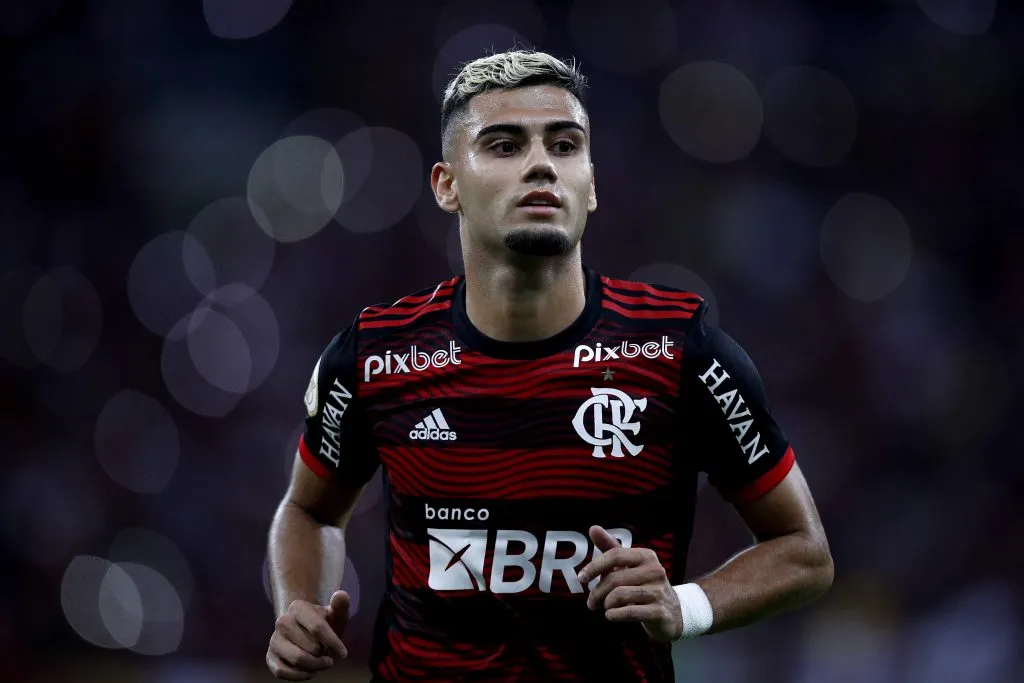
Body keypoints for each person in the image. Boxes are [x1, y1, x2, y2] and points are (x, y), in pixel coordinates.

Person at [266, 49, 834, 682]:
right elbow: (310, 510)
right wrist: (297, 606)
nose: (541, 163)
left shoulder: (681, 351)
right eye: (505, 146)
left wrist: (685, 605)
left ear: (591, 183)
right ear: (446, 184)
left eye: (565, 145)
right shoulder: (376, 353)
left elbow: (803, 552)